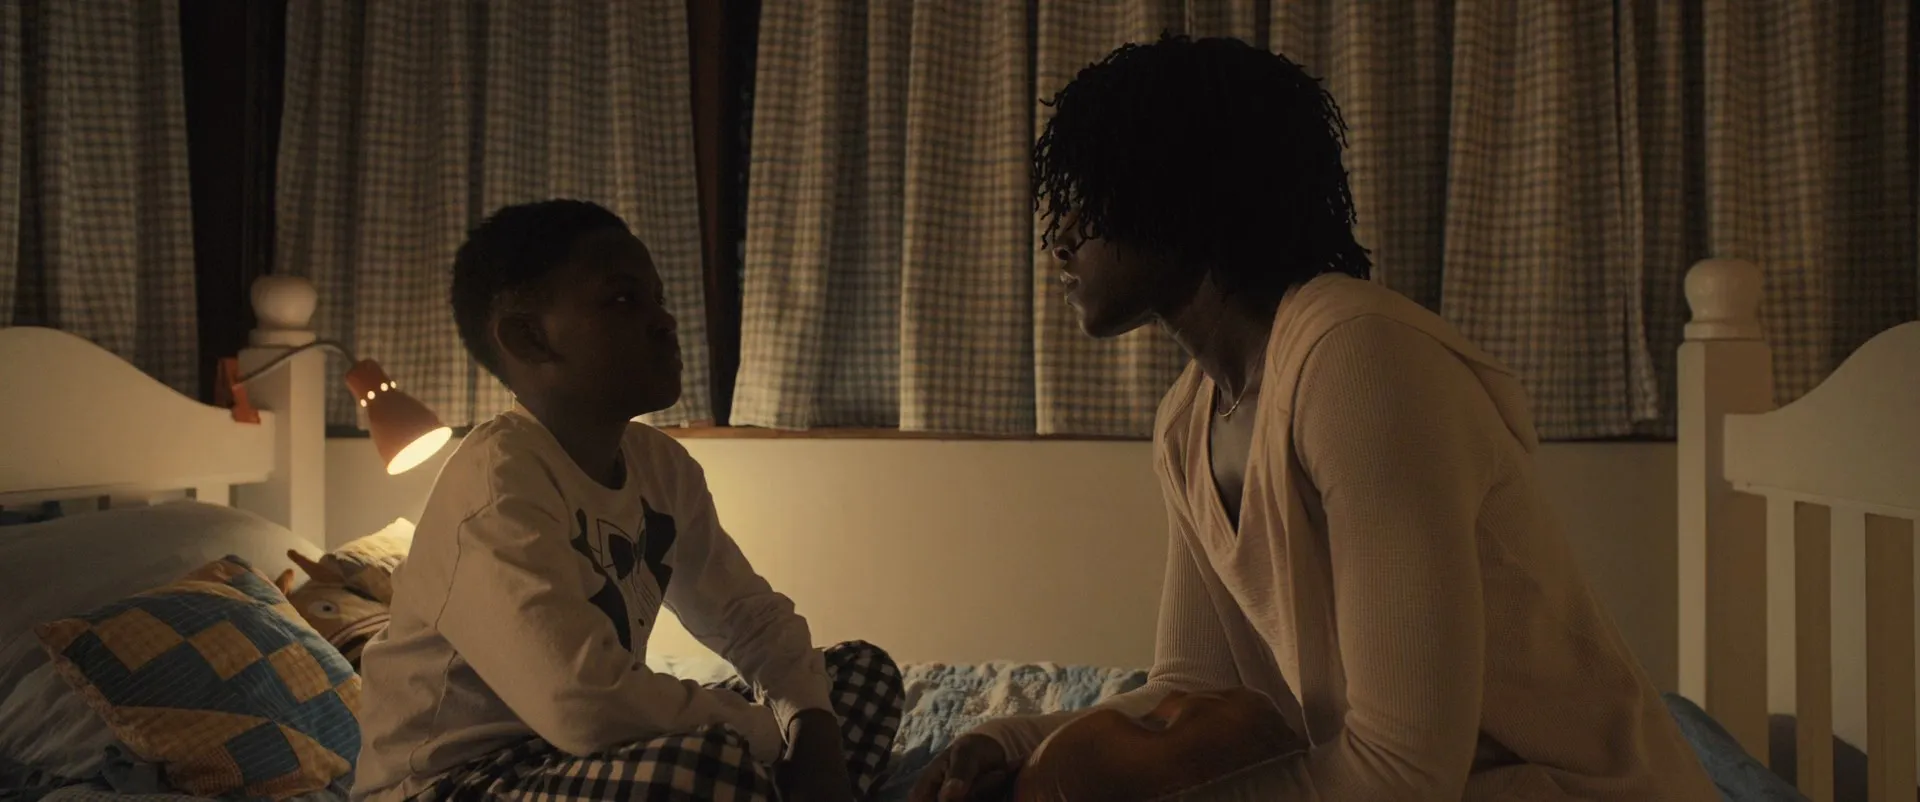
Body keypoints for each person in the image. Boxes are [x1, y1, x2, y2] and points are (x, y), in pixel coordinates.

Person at [913, 35, 1719, 801]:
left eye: (1090, 195)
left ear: (1186, 191)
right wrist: (1013, 744)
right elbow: (1194, 688)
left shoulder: (1358, 359)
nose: (1058, 239)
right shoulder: (1189, 418)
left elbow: (1404, 774)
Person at [354, 200, 902, 802]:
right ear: (528, 338)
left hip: (579, 758)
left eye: (657, 298)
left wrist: (810, 728)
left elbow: (748, 617)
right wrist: (770, 736)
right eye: (621, 300)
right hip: (455, 780)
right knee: (709, 766)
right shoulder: (496, 483)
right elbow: (581, 702)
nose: (664, 321)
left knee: (859, 675)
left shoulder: (661, 466)